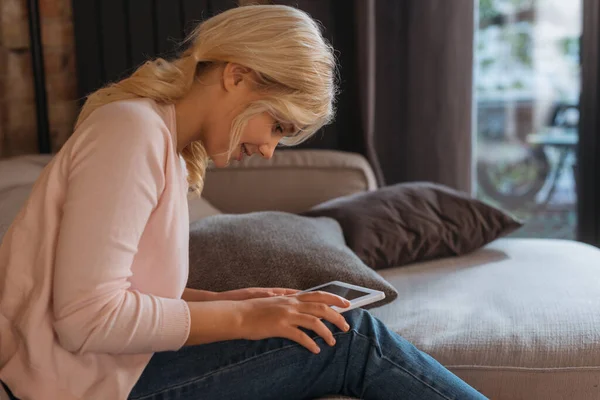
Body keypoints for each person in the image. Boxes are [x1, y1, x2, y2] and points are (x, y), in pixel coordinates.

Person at [0, 5, 488, 400]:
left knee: (334, 327)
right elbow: (85, 318)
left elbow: (116, 291)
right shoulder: (130, 132)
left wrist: (224, 302)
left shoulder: (161, 143)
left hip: (109, 372)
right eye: (277, 124)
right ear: (237, 76)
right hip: (78, 385)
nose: (269, 149)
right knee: (352, 340)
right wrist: (245, 320)